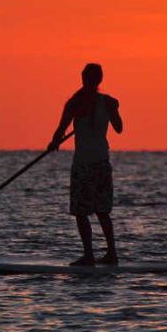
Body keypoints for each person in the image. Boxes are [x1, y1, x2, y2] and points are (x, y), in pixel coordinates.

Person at [48, 63, 124, 266]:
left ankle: (99, 255)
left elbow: (118, 127)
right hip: (97, 163)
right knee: (98, 211)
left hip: (88, 164)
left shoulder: (80, 102)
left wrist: (114, 110)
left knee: (86, 212)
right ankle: (106, 253)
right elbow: (119, 128)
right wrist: (54, 142)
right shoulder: (81, 103)